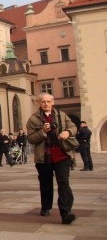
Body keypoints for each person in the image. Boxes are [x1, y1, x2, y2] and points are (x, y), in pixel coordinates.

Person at [27, 93, 77, 224]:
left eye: (48, 101)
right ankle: (46, 206)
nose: (46, 104)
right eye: (43, 101)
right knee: (46, 183)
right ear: (39, 103)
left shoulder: (62, 115)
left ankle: (66, 213)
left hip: (62, 155)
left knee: (64, 183)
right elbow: (31, 139)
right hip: (44, 157)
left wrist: (68, 132)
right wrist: (42, 131)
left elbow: (73, 127)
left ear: (52, 102)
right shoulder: (33, 119)